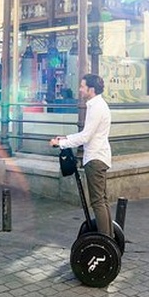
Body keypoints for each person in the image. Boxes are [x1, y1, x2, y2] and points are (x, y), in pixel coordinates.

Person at [49, 74, 113, 236]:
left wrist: (61, 143)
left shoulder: (97, 107)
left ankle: (105, 241)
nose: (80, 89)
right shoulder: (96, 105)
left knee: (98, 202)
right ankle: (109, 238)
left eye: (83, 86)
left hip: (95, 158)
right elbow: (86, 133)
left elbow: (86, 136)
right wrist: (65, 138)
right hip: (99, 156)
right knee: (102, 200)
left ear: (91, 89)